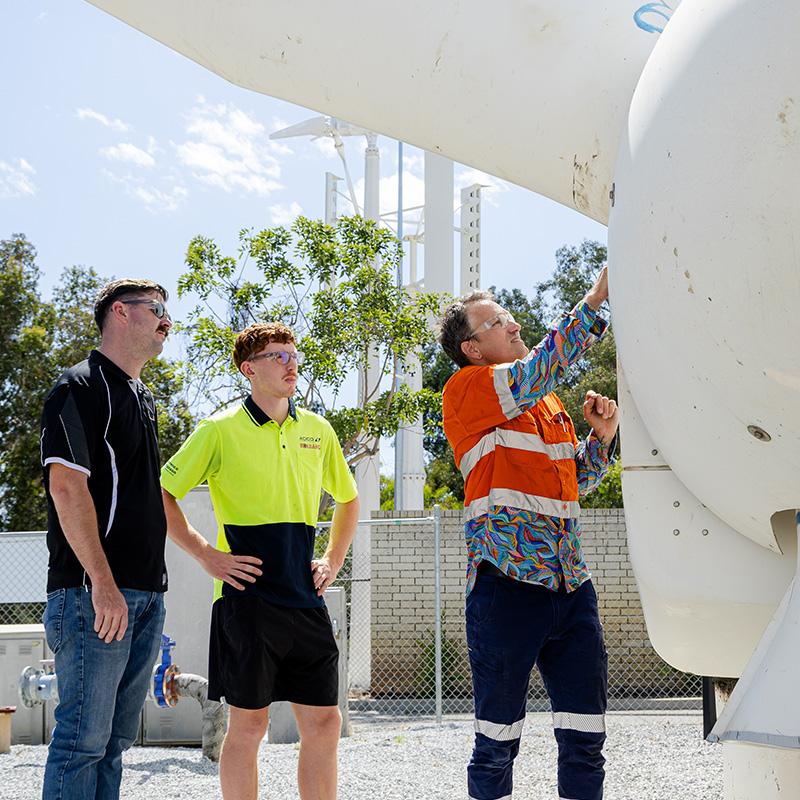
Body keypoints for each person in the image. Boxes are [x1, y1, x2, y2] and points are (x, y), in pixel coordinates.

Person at [438, 267, 619, 800]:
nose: (514, 325)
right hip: (507, 587)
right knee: (497, 743)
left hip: (570, 586)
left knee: (586, 736)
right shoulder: (467, 389)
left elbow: (573, 483)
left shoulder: (547, 405)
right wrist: (595, 299)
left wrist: (602, 438)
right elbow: (542, 365)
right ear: (472, 348)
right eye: (499, 321)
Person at [160, 321, 359, 800]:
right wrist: (207, 555)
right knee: (249, 726)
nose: (291, 363)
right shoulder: (219, 429)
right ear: (249, 369)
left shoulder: (317, 429)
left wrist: (331, 558)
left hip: (304, 599)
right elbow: (162, 493)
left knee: (325, 722)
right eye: (278, 356)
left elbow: (348, 500)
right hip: (246, 602)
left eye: (293, 354)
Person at [40, 279, 174, 800]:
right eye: (157, 309)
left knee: (113, 744)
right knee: (82, 743)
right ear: (120, 312)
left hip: (143, 596)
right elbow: (67, 488)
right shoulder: (78, 387)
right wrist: (103, 581)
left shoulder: (143, 397)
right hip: (93, 595)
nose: (166, 322)